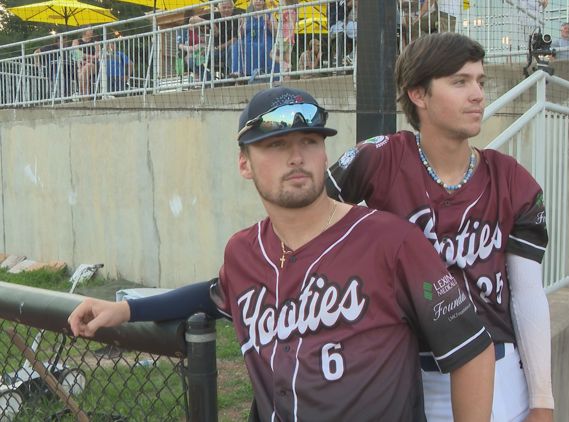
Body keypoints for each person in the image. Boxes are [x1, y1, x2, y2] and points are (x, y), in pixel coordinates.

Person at [68, 86, 496, 421]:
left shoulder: (391, 240)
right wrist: (126, 310)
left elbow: (472, 350)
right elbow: (215, 295)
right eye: (275, 145)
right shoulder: (243, 252)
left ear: (325, 152)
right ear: (244, 164)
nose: (296, 156)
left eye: (310, 141)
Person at [326, 32, 554, 422]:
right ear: (419, 94)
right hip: (408, 373)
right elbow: (309, 225)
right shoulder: (380, 158)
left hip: (498, 377)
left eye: (480, 81)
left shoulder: (510, 178)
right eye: (460, 81)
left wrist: (542, 401)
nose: (478, 94)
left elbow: (527, 294)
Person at [72, 28, 100, 96]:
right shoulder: (76, 41)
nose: (92, 31)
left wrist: (84, 57)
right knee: (80, 73)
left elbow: (97, 55)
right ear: (84, 31)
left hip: (92, 64)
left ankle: (82, 95)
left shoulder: (95, 42)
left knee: (85, 69)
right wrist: (89, 57)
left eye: (92, 30)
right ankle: (85, 96)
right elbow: (75, 54)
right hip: (80, 64)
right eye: (90, 30)